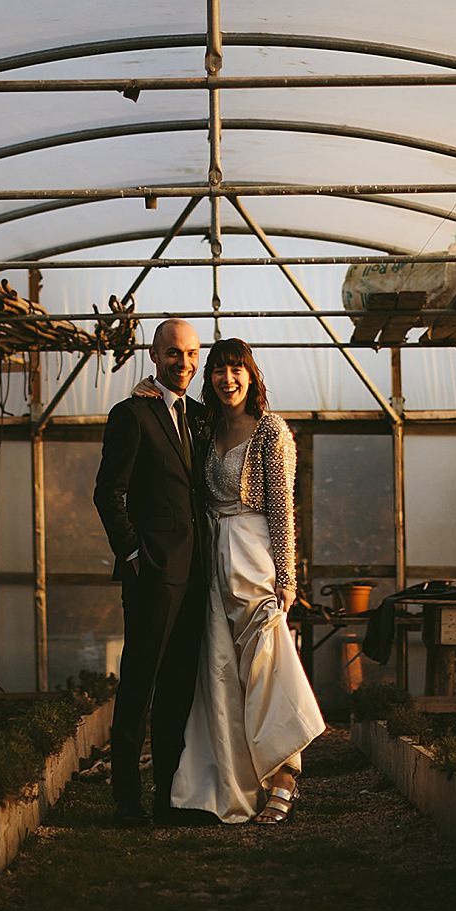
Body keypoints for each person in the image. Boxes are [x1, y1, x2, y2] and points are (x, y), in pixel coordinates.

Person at [167, 338, 326, 824]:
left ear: (252, 376)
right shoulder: (206, 425)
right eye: (217, 370)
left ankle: (284, 777)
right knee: (221, 673)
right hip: (213, 559)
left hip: (255, 558)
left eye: (236, 370)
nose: (226, 379)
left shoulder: (271, 432)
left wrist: (288, 578)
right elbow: (167, 411)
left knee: (266, 667)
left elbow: (282, 512)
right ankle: (232, 783)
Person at [93, 318, 209, 828]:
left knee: (179, 691)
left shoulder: (202, 418)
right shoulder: (132, 415)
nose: (181, 363)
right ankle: (126, 802)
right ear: (153, 356)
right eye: (171, 353)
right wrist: (136, 555)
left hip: (197, 575)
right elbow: (107, 494)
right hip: (153, 576)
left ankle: (168, 800)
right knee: (139, 688)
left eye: (189, 354)